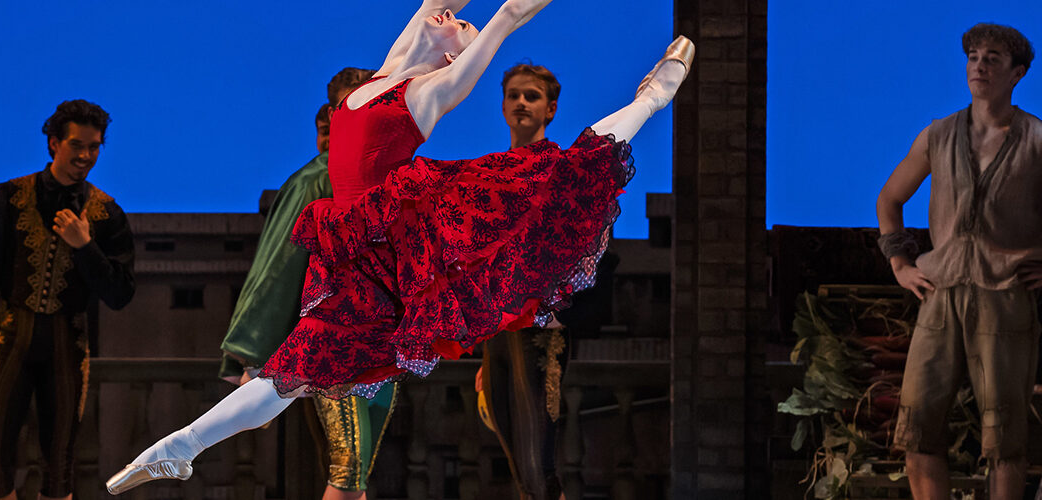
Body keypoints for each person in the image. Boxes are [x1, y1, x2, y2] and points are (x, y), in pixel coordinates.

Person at [107, 0, 692, 493]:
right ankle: (182, 446)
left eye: (462, 27)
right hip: (356, 253)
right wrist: (443, 15)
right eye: (454, 18)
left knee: (555, 175)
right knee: (291, 371)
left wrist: (486, 25)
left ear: (452, 53)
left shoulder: (429, 93)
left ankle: (649, 101)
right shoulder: (382, 76)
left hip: (396, 245)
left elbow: (510, 12)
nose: (455, 18)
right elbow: (434, 6)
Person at [217, 67, 398, 500]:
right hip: (333, 349)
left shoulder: (386, 178)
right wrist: (252, 357)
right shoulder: (315, 181)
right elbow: (277, 267)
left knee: (358, 470)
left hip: (380, 347)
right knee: (348, 468)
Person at [876, 23, 1039, 500]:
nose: (980, 65)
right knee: (918, 427)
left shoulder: (1036, 140)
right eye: (973, 57)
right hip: (940, 294)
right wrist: (901, 265)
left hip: (1005, 298)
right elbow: (889, 199)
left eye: (993, 58)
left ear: (1018, 72)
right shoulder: (940, 134)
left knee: (1005, 440)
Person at [0, 99, 136, 500]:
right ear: (53, 143)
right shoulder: (8, 198)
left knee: (60, 465)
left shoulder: (107, 215)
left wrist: (86, 247)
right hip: (12, 338)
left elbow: (120, 294)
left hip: (68, 347)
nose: (86, 156)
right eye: (76, 145)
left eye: (94, 146)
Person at [472, 62, 620, 500]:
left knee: (540, 461)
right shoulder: (494, 173)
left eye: (531, 96)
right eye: (514, 95)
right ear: (502, 105)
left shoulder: (559, 171)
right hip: (500, 335)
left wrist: (563, 312)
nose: (521, 102)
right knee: (518, 459)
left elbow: (596, 247)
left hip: (539, 332)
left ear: (550, 109)